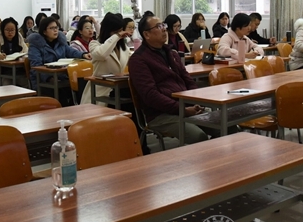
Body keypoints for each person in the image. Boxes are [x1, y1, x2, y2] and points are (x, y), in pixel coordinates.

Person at [128, 15, 214, 144]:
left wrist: (195, 101)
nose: (164, 29)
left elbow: (188, 80)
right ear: (146, 34)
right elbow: (150, 95)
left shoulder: (172, 53)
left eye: (164, 25)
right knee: (198, 136)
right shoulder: (138, 60)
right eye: (159, 26)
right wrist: (182, 109)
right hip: (161, 114)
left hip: (186, 107)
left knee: (226, 126)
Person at [26, 17, 90, 92]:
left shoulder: (60, 42)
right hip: (43, 81)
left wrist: (83, 55)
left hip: (60, 76)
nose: (55, 30)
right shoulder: (36, 45)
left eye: (56, 27)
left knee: (82, 82)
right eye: (52, 28)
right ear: (44, 31)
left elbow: (70, 51)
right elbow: (36, 67)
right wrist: (49, 78)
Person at [81, 13, 131, 106]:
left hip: (118, 90)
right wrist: (116, 36)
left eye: (121, 31)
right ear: (107, 31)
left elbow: (133, 61)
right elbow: (102, 54)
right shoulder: (94, 44)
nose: (120, 34)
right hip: (99, 92)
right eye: (116, 32)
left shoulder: (123, 47)